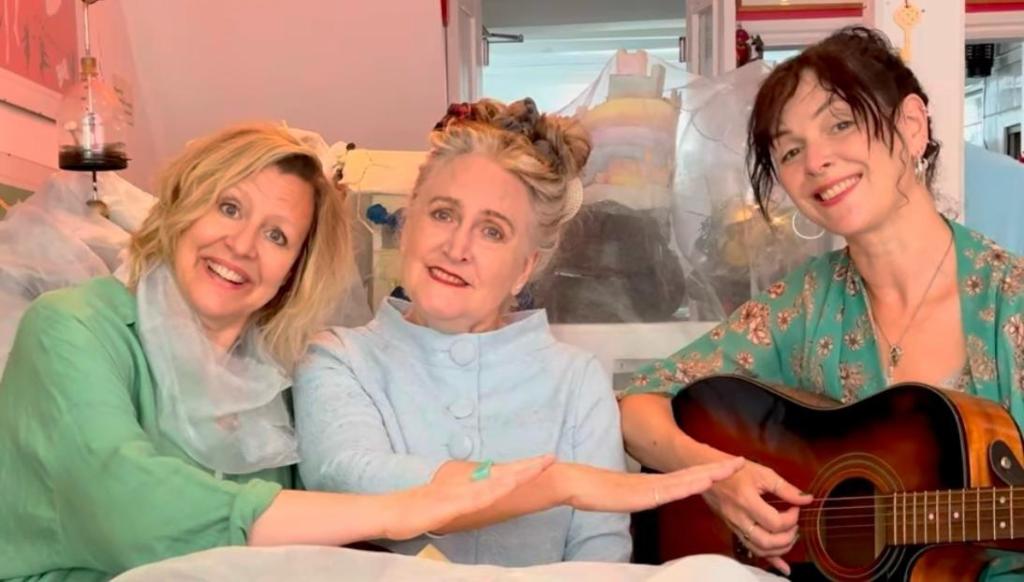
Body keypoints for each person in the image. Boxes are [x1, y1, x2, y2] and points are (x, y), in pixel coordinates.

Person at [0, 123, 555, 582]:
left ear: (294, 272)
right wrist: (399, 510)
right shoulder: (72, 329)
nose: (241, 246)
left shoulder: (272, 381)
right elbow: (125, 507)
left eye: (277, 237)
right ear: (180, 207)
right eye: (228, 208)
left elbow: (302, 537)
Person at [619, 27, 1024, 579]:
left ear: (911, 125)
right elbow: (638, 404)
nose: (815, 162)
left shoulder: (1011, 302)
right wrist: (719, 478)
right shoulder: (802, 306)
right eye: (790, 150)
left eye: (840, 124)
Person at [293, 98, 745, 566]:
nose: (457, 247)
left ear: (525, 268)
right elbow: (351, 477)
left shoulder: (575, 381)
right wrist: (556, 484)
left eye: (493, 231)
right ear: (407, 225)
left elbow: (600, 557)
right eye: (443, 214)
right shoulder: (338, 359)